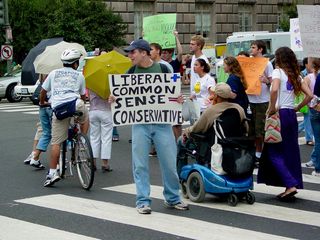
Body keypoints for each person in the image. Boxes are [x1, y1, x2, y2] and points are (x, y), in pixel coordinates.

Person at [122, 39, 189, 214]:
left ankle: (173, 198)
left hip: (162, 123)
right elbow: (124, 96)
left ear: (144, 53)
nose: (129, 56)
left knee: (169, 163)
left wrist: (178, 99)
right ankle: (143, 201)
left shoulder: (164, 68)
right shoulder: (130, 72)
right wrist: (116, 100)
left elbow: (173, 92)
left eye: (132, 52)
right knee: (140, 164)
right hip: (140, 124)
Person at [257, 47, 312, 201]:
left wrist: (272, 108)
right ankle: (290, 185)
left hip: (279, 114)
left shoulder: (277, 72)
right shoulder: (296, 75)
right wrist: (298, 107)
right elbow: (310, 95)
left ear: (279, 59)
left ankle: (289, 184)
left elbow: (274, 90)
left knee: (273, 151)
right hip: (291, 115)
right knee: (290, 151)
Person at [40, 48, 89, 187]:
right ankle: (82, 141)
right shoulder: (79, 75)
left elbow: (43, 91)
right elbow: (83, 96)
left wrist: (42, 102)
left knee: (56, 142)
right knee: (85, 117)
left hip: (60, 108)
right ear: (75, 63)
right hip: (75, 104)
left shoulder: (53, 73)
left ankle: (52, 173)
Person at [177, 83, 247, 174]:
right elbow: (246, 128)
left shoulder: (212, 110)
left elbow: (197, 128)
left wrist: (186, 132)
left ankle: (180, 174)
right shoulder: (239, 108)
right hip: (235, 144)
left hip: (214, 146)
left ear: (216, 96)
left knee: (180, 141)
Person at [248, 40, 274, 162]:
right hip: (251, 99)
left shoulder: (267, 64)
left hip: (262, 101)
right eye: (251, 47)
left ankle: (260, 154)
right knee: (252, 129)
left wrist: (266, 81)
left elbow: (273, 83)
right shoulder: (249, 62)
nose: (251, 50)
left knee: (261, 130)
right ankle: (256, 153)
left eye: (253, 47)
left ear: (260, 50)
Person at [89, 90, 113, 172]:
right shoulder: (108, 85)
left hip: (93, 111)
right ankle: (105, 164)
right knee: (106, 138)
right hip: (106, 111)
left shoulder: (91, 83)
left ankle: (93, 162)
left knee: (94, 138)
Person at [307, 58, 320, 175]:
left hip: (317, 109)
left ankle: (318, 168)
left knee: (318, 139)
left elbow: (315, 94)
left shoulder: (315, 76)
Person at [298, 57, 314, 146]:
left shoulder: (316, 73)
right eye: (310, 63)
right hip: (306, 99)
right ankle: (309, 139)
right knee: (308, 118)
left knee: (309, 119)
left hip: (315, 100)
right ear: (306, 65)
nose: (312, 65)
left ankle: (296, 129)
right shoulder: (301, 75)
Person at [189, 35, 209, 101]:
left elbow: (205, 79)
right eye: (190, 44)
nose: (190, 46)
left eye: (193, 44)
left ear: (199, 46)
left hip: (201, 97)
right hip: (194, 94)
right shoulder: (194, 57)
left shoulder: (204, 60)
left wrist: (195, 93)